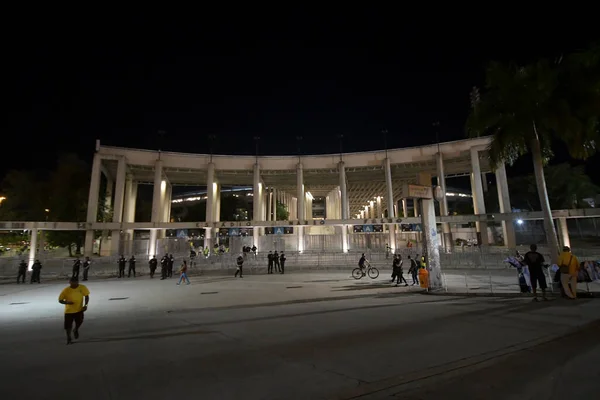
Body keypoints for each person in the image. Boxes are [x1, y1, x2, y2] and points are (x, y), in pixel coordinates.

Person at [58, 277, 90, 345]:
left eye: (75, 282)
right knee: (68, 326)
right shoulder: (66, 290)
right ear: (69, 282)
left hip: (79, 309)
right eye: (72, 283)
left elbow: (86, 296)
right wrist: (67, 302)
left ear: (77, 282)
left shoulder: (82, 287)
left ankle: (76, 329)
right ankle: (69, 338)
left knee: (80, 321)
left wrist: (85, 305)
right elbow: (60, 300)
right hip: (69, 311)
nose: (73, 284)